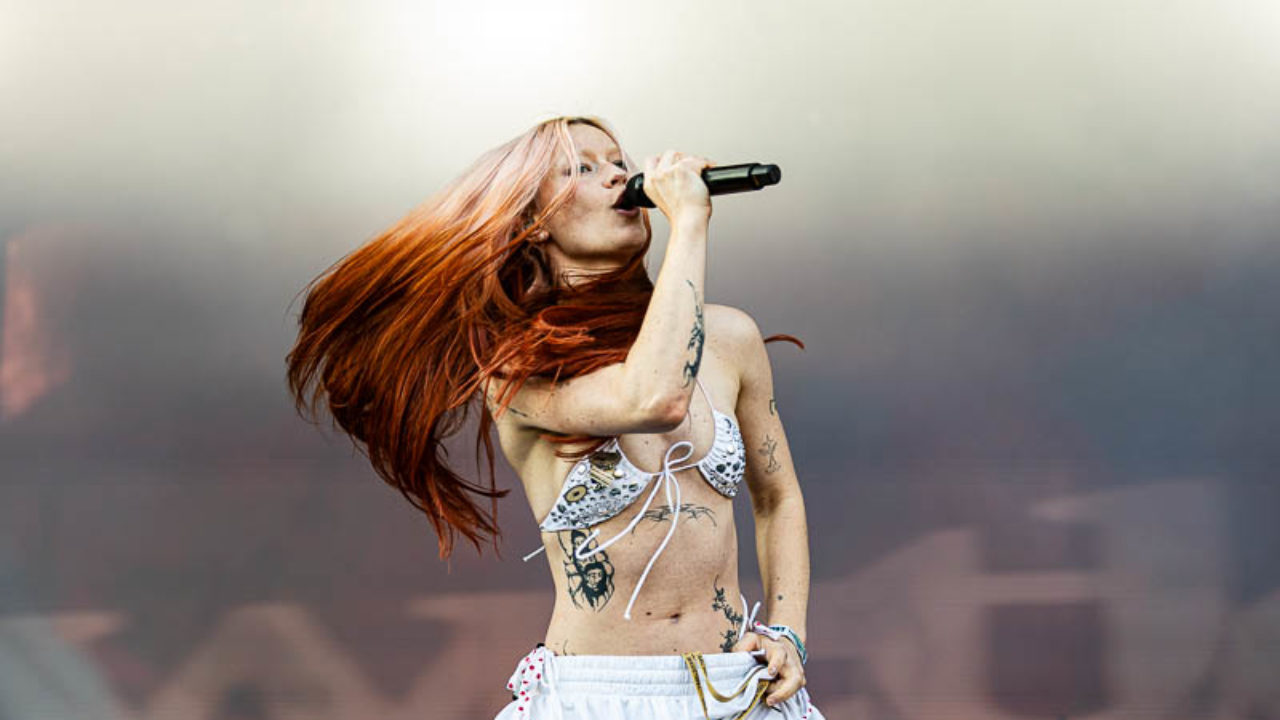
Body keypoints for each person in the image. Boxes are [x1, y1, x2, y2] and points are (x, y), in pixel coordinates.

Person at [285, 115, 824, 719]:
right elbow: (654, 399)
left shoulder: (729, 338)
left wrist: (788, 633)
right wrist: (692, 225)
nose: (617, 175)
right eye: (582, 168)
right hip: (600, 696)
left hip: (738, 688)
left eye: (619, 162)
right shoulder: (520, 370)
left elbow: (777, 497)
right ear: (535, 224)